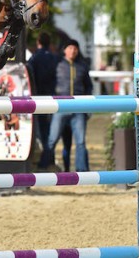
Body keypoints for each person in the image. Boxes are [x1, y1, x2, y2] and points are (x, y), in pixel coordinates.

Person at [41, 40, 93, 172]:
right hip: (60, 107)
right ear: (64, 50)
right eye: (70, 48)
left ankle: (82, 170)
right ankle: (44, 166)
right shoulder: (56, 64)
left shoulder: (82, 66)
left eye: (75, 48)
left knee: (80, 142)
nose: (73, 51)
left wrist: (88, 106)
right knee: (52, 139)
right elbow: (48, 83)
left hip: (79, 107)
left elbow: (89, 86)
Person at [28, 32, 59, 166]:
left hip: (38, 98)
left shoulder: (34, 59)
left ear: (38, 42)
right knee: (51, 130)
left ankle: (45, 159)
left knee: (41, 130)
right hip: (53, 96)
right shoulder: (55, 58)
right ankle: (50, 157)